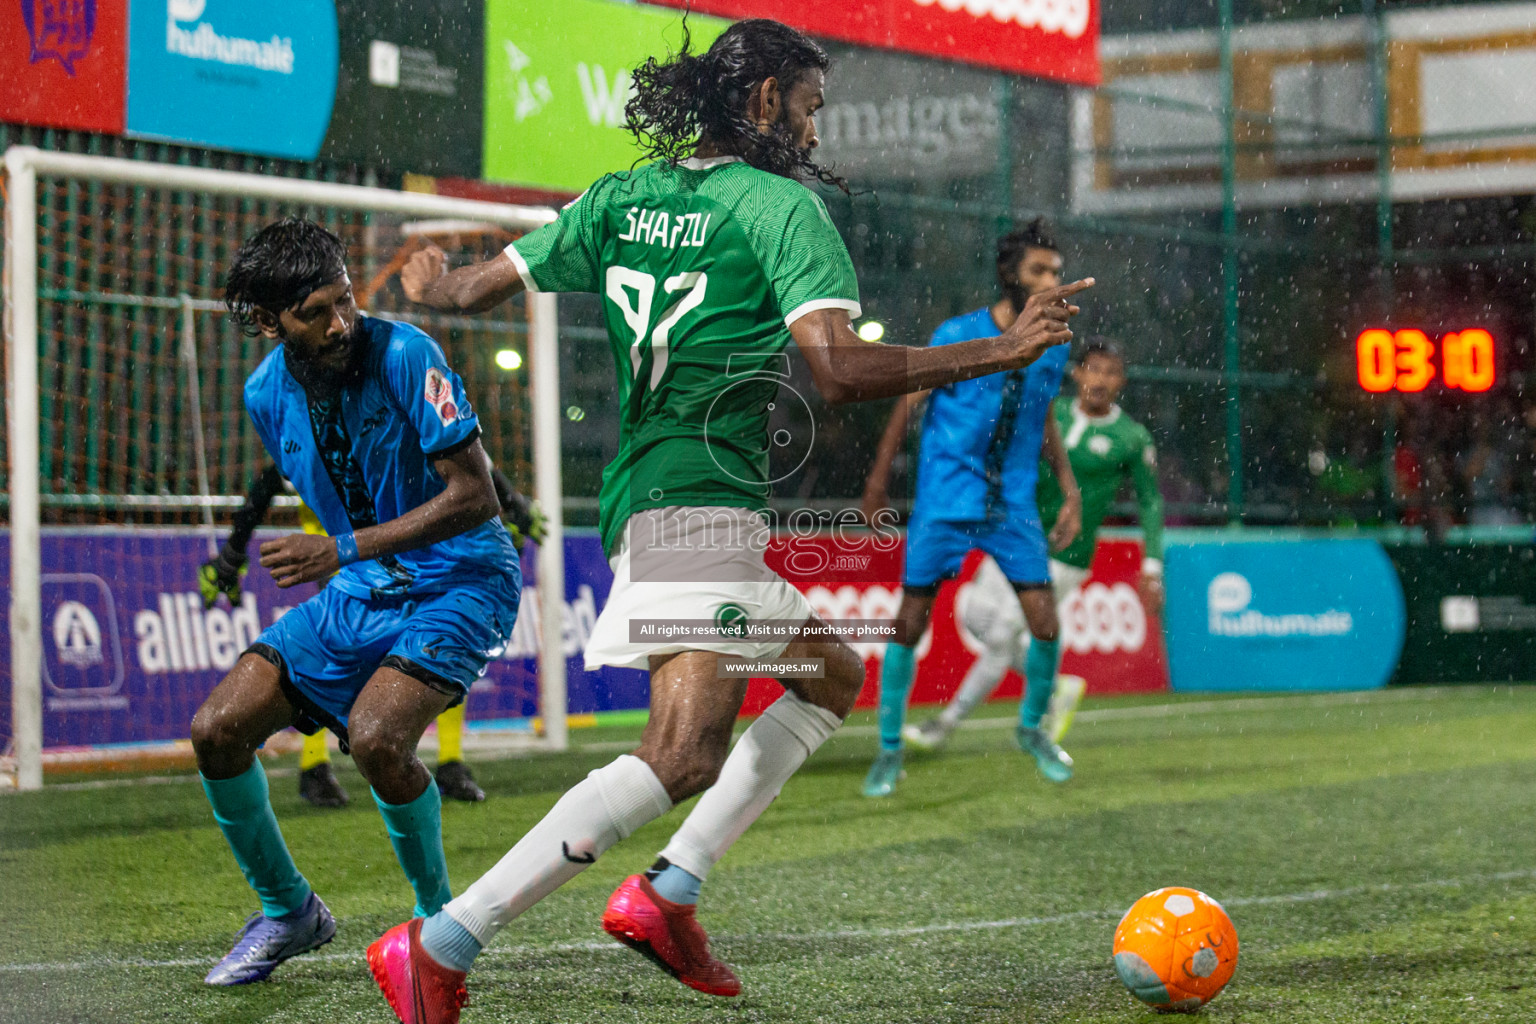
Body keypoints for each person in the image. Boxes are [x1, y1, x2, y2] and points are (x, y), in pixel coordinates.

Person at [363, 19, 1092, 1023]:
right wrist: (1001, 352)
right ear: (763, 105)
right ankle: (443, 943)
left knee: (832, 671)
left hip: (655, 493)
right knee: (682, 751)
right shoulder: (781, 210)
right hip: (695, 502)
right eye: (808, 107)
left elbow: (469, 289)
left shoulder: (619, 197)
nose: (815, 130)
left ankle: (670, 890)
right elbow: (838, 372)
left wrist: (426, 281)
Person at [190, 217, 522, 986]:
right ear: (271, 322)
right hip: (363, 589)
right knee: (217, 729)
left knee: (376, 738)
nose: (341, 323)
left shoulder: (406, 353)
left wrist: (339, 550)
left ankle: (439, 926)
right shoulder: (264, 394)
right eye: (316, 312)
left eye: (344, 300)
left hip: (462, 576)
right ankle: (289, 913)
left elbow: (475, 499)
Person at [858, 219, 1083, 798]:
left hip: (1012, 505)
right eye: (1040, 270)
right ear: (1010, 274)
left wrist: (1069, 485)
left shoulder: (1055, 343)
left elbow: (1045, 417)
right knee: (909, 623)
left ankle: (1031, 728)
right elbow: (907, 405)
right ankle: (887, 749)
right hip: (946, 497)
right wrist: (878, 480)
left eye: (1056, 271)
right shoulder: (957, 334)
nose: (1051, 280)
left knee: (1045, 622)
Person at [200, 461, 546, 806]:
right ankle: (316, 765)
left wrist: (512, 505)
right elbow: (272, 476)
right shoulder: (310, 426)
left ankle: (449, 761)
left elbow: (470, 462)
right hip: (340, 561)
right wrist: (232, 553)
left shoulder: (399, 426)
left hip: (402, 558)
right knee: (331, 659)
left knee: (440, 645)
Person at [903, 338, 1165, 752]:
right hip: (1017, 536)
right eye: (1094, 368)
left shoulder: (1130, 437)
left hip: (1066, 555)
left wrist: (1152, 568)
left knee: (1004, 632)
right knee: (972, 613)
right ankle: (1055, 684)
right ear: (1077, 373)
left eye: (1112, 372)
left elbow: (1150, 501)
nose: (1101, 379)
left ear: (1122, 382)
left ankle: (944, 725)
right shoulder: (1051, 413)